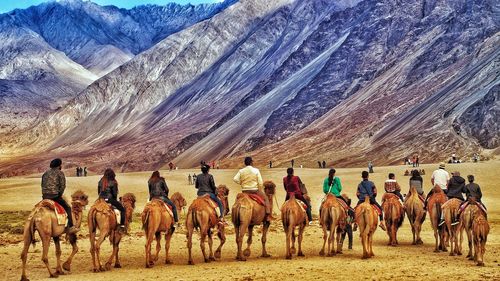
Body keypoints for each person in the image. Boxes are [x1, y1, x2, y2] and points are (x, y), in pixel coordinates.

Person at [41, 158, 78, 234]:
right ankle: (71, 227)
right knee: (67, 207)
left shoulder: (45, 173)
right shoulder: (60, 173)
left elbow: (42, 185)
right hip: (55, 196)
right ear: (59, 165)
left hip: (45, 196)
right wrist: (59, 195)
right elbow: (63, 186)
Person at [233, 157, 272, 221]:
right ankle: (268, 215)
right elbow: (260, 182)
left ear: (245, 163)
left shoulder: (241, 171)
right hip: (254, 190)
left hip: (244, 191)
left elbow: (235, 179)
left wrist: (241, 183)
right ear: (251, 162)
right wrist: (259, 187)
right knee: (266, 199)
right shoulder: (256, 170)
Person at [98, 168, 126, 233]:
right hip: (110, 200)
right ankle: (122, 226)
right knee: (122, 210)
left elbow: (99, 192)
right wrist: (114, 203)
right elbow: (114, 194)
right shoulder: (113, 182)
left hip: (100, 199)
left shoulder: (100, 181)